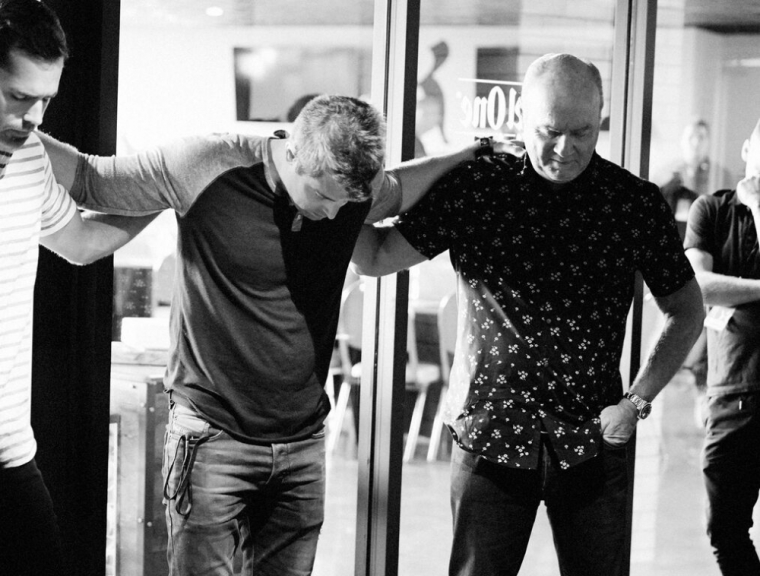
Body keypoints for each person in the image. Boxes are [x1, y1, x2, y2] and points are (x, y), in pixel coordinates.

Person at [40, 93, 495, 575]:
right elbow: (89, 179)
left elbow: (399, 189)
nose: (332, 213)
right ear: (292, 153)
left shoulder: (348, 194)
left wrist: (466, 156)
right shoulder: (206, 164)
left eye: (347, 203)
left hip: (301, 444)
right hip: (213, 436)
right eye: (322, 196)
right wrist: (15, 122)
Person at [351, 53, 705, 576]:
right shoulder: (478, 186)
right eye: (549, 131)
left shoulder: (633, 203)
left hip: (593, 440)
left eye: (582, 131)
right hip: (490, 439)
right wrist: (343, 190)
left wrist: (637, 401)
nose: (565, 149)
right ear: (520, 117)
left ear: (601, 116)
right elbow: (378, 256)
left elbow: (686, 310)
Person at [0, 1, 155, 575]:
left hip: (12, 449)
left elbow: (80, 242)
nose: (33, 118)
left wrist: (167, 193)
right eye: (18, 97)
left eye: (45, 100)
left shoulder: (29, 157)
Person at [683, 118, 760, 576]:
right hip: (734, 388)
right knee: (726, 528)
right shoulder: (711, 210)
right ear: (749, 147)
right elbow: (700, 286)